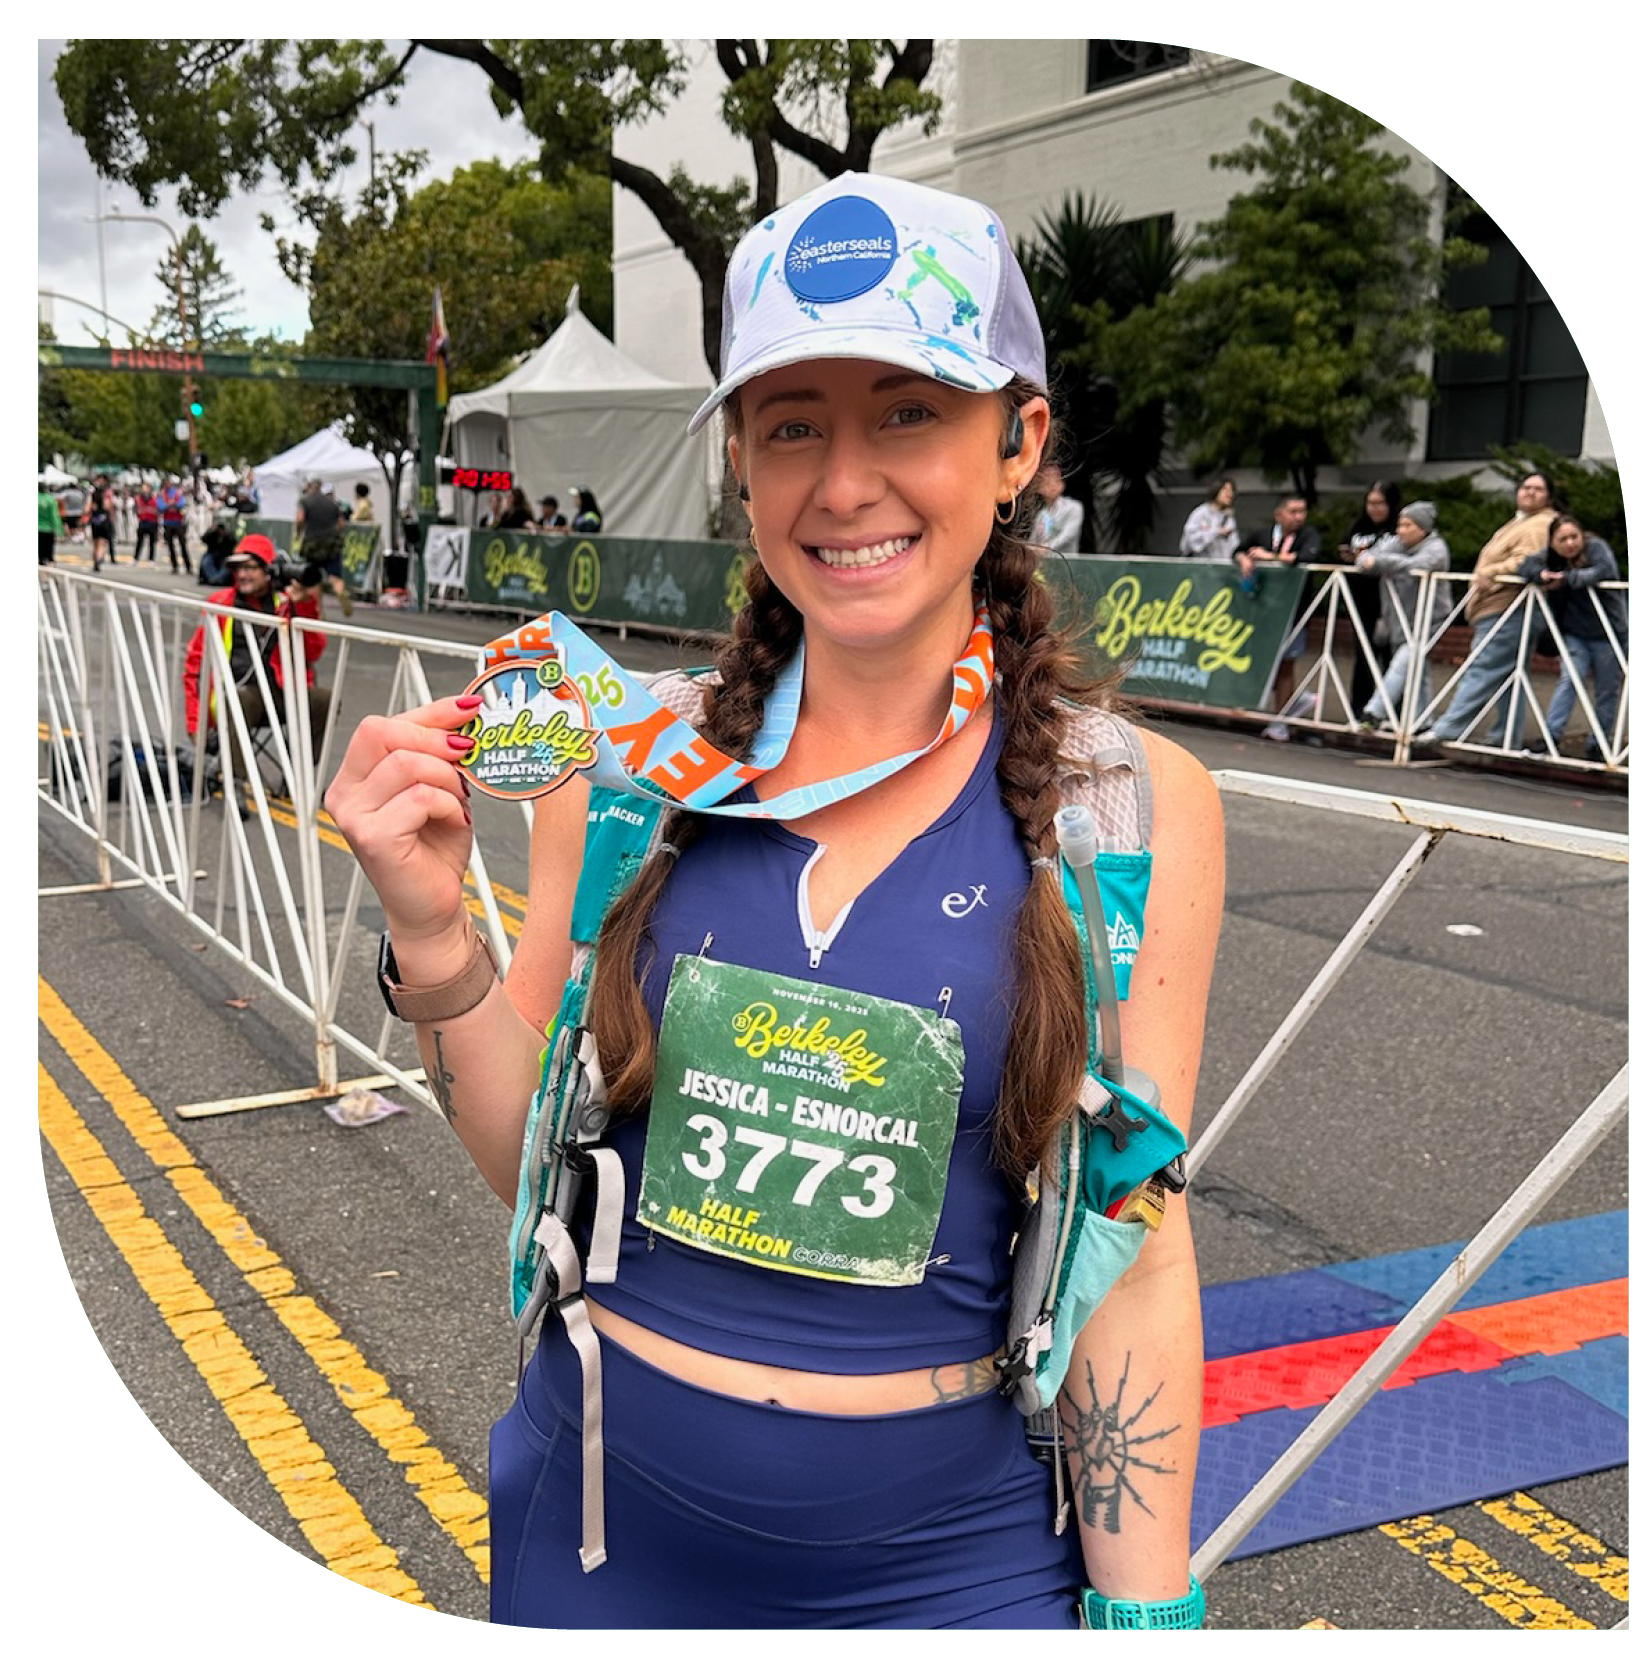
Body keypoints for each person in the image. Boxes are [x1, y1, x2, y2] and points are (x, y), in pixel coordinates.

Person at [324, 171, 1224, 1632]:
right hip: (602, 1536)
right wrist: (434, 933)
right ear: (739, 460)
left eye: (907, 412)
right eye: (791, 422)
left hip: (952, 1576)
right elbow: (525, 1166)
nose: (843, 479)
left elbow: (1136, 1249)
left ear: (1019, 443)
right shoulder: (628, 770)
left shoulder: (1123, 803)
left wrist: (1144, 1621)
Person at [1417, 471, 1558, 750]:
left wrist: (1492, 572)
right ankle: (1505, 736)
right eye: (1525, 487)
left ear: (1548, 497)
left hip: (1508, 606)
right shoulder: (1523, 522)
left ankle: (1448, 728)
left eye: (1537, 489)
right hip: (1502, 607)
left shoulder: (1539, 525)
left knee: (1481, 668)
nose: (1529, 492)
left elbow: (1525, 562)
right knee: (1508, 676)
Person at [183, 534, 330, 792]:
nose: (242, 575)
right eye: (237, 568)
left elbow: (313, 651)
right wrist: (195, 721)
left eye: (250, 568)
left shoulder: (285, 602)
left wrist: (305, 607)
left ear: (268, 571)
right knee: (240, 699)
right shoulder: (220, 605)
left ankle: (298, 774)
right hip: (243, 694)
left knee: (323, 700)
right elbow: (195, 665)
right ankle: (235, 781)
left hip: (282, 691)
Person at [1517, 514, 1628, 761]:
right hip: (1574, 632)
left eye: (1573, 537)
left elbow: (1603, 570)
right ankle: (1550, 736)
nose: (1569, 544)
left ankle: (1599, 744)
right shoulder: (1550, 555)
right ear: (1553, 542)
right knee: (1570, 679)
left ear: (1582, 535)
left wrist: (1567, 579)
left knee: (1607, 690)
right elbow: (1524, 566)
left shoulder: (1596, 547)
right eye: (1562, 539)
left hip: (1608, 631)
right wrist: (1542, 575)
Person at [1356, 501, 1449, 733]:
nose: (1401, 530)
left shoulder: (1436, 547)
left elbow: (1419, 565)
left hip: (1429, 617)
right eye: (1400, 524)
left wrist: (1380, 563)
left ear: (1422, 528)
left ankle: (1375, 710)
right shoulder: (1395, 543)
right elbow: (1363, 559)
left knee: (1404, 661)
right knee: (1417, 668)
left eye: (1408, 525)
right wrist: (1376, 560)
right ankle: (1421, 720)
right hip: (1399, 617)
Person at [1236, 493, 1322, 740]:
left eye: (1302, 512)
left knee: (1286, 664)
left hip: (1294, 611)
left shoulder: (1308, 535)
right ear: (1279, 514)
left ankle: (1280, 721)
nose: (1298, 517)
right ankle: (1294, 704)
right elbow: (1239, 549)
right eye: (1293, 512)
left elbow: (1308, 557)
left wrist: (1270, 557)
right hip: (1263, 610)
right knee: (1262, 663)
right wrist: (1243, 559)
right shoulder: (1262, 535)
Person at [1339, 481, 1401, 716]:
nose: (1374, 509)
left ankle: (1391, 710)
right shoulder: (1358, 528)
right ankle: (1360, 708)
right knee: (1364, 655)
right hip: (1361, 600)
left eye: (1380, 504)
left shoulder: (1395, 530)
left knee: (1390, 656)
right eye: (1370, 503)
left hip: (1387, 600)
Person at [295, 478, 354, 619]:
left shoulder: (305, 501)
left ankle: (319, 610)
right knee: (335, 576)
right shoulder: (332, 503)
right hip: (331, 542)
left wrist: (299, 533)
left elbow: (300, 519)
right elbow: (341, 524)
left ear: (310, 487)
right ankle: (340, 591)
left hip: (313, 543)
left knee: (314, 579)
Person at [1178, 478, 1238, 561]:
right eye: (1225, 489)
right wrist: (1216, 532)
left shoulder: (1228, 517)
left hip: (1221, 567)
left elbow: (1234, 545)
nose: (1229, 494)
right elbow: (1189, 541)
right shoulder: (1200, 513)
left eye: (1231, 490)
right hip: (1200, 567)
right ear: (1216, 491)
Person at [1033, 461, 1085, 553]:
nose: (1052, 486)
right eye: (1047, 482)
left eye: (1056, 480)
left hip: (1066, 563)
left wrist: (1045, 548)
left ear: (1062, 485)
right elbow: (1033, 541)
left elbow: (1067, 536)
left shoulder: (1074, 508)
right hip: (1045, 564)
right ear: (1039, 488)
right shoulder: (1041, 514)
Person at [158, 475, 190, 574]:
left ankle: (188, 566)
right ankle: (174, 566)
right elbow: (161, 507)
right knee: (170, 546)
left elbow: (182, 504)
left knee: (183, 545)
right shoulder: (162, 494)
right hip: (168, 522)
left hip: (178, 522)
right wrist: (171, 505)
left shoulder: (177, 493)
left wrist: (172, 505)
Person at [86, 473, 116, 569]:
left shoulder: (92, 493)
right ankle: (99, 559)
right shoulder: (107, 493)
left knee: (95, 543)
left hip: (95, 520)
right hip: (104, 519)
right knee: (102, 543)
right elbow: (107, 506)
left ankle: (95, 559)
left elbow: (87, 507)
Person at [39, 477, 65, 565]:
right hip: (48, 528)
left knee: (39, 549)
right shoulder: (50, 500)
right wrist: (60, 530)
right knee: (49, 549)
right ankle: (49, 569)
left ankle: (41, 563)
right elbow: (54, 516)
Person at [133, 482, 160, 564]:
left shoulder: (154, 498)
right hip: (142, 521)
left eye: (146, 488)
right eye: (143, 488)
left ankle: (151, 559)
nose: (144, 490)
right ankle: (136, 559)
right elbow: (136, 509)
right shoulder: (138, 498)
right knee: (139, 542)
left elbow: (158, 509)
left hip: (152, 522)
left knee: (152, 542)